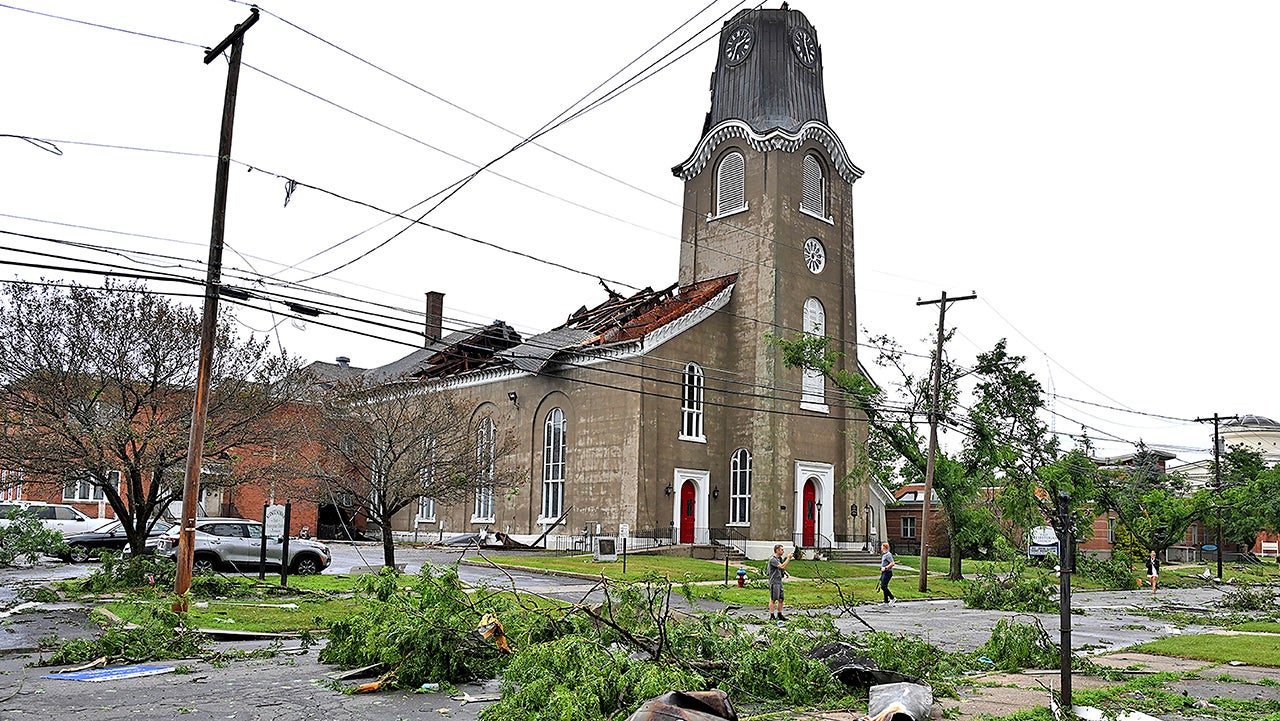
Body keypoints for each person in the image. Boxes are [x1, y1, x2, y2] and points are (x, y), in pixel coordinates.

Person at [767, 544, 793, 621]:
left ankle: (779, 614)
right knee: (773, 599)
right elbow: (782, 566)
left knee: (781, 598)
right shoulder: (773, 559)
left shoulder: (779, 559)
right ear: (777, 550)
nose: (783, 551)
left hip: (779, 581)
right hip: (774, 581)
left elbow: (781, 568)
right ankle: (772, 615)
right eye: (782, 550)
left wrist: (785, 573)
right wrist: (788, 558)